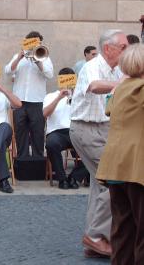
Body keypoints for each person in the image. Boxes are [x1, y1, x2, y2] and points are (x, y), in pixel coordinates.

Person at [70, 29, 129, 259]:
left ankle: (94, 239)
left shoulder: (117, 69)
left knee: (99, 183)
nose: (126, 52)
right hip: (87, 129)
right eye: (123, 47)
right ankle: (95, 235)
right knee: (112, 180)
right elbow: (94, 86)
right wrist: (123, 84)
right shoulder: (93, 66)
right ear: (108, 49)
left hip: (103, 129)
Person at [96, 44, 144, 265]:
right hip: (137, 167)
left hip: (115, 166)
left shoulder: (120, 88)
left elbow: (108, 109)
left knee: (122, 231)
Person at [4, 31, 53, 159]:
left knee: (37, 132)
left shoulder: (45, 57)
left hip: (37, 101)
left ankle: (38, 160)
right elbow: (8, 71)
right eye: (33, 42)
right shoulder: (18, 56)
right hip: (19, 102)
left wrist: (38, 62)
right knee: (20, 132)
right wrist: (19, 56)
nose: (36, 45)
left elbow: (49, 74)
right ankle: (22, 159)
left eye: (39, 43)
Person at [43, 68, 88, 190]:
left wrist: (75, 95)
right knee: (51, 144)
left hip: (75, 130)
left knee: (92, 146)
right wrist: (59, 97)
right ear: (60, 81)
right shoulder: (50, 96)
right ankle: (62, 179)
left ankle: (74, 177)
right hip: (56, 133)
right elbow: (45, 114)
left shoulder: (79, 96)